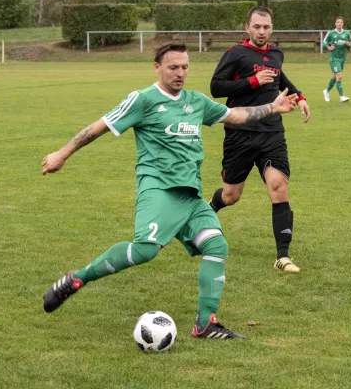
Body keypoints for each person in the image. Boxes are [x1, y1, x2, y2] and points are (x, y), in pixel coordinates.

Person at [41, 42, 299, 340]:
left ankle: (205, 324)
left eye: (185, 67)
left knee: (216, 247)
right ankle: (76, 279)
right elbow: (99, 126)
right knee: (144, 251)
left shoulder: (196, 101)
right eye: (173, 67)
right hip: (158, 190)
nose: (180, 73)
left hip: (190, 196)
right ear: (157, 67)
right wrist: (62, 153)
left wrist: (273, 108)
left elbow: (236, 115)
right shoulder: (143, 100)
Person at [208, 6, 311, 274]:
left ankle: (283, 256)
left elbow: (280, 77)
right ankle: (207, 211)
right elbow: (216, 87)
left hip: (271, 132)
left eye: (266, 27)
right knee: (231, 196)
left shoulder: (277, 53)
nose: (261, 31)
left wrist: (299, 96)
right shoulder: (235, 54)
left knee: (278, 186)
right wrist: (252, 81)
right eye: (257, 27)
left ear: (272, 29)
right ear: (247, 27)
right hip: (239, 133)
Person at [322, 16, 351, 103]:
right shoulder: (331, 33)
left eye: (341, 22)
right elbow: (324, 42)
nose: (339, 23)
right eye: (338, 22)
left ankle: (326, 91)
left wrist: (347, 43)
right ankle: (342, 96)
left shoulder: (347, 33)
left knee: (335, 77)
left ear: (343, 24)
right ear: (335, 24)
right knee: (339, 76)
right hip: (334, 58)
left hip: (342, 58)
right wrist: (328, 47)